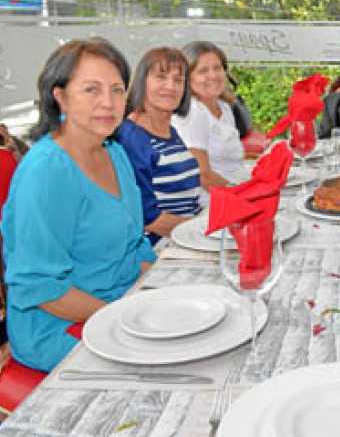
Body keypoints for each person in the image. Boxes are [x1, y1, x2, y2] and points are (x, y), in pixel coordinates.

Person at [2, 38, 156, 372]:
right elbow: (42, 289)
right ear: (60, 97)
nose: (108, 102)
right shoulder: (46, 172)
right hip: (59, 325)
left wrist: (158, 292)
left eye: (117, 89)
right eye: (92, 89)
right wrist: (124, 318)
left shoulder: (114, 151)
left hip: (120, 302)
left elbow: (136, 241)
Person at [117, 47, 202, 245]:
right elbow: (149, 219)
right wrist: (203, 230)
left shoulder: (168, 130)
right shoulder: (131, 138)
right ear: (142, 82)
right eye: (161, 77)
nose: (170, 86)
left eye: (178, 80)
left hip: (184, 237)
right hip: (157, 248)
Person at [173, 41, 245, 189]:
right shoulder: (193, 113)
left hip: (234, 187)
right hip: (211, 201)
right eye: (203, 71)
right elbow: (202, 177)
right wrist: (245, 191)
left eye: (217, 68)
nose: (213, 75)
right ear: (186, 78)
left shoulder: (223, 107)